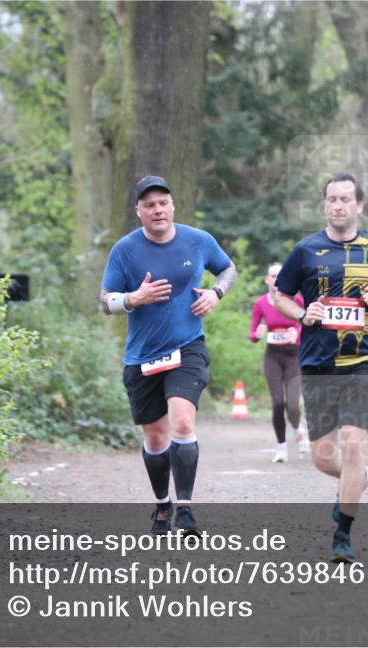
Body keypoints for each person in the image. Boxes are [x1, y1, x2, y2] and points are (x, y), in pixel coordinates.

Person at [274, 172, 368, 562]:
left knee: (354, 444)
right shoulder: (305, 250)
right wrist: (304, 313)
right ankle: (358, 480)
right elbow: (280, 296)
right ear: (324, 205)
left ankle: (343, 535)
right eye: (331, 199)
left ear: (359, 206)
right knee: (323, 457)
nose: (338, 205)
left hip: (364, 359)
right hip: (318, 361)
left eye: (345, 199)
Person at [100, 174, 236, 538]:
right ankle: (162, 506)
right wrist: (132, 299)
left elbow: (227, 268)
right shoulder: (125, 250)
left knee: (182, 423)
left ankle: (186, 510)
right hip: (143, 355)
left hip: (187, 347)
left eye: (163, 203)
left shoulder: (198, 240)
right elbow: (105, 301)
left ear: (172, 206)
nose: (158, 210)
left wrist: (216, 293)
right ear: (139, 212)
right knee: (156, 437)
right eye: (149, 205)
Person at [249, 263, 309, 463]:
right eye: (273, 275)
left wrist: (297, 331)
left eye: (280, 275)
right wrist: (257, 334)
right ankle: (281, 448)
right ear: (267, 279)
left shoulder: (296, 299)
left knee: (292, 403)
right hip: (273, 357)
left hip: (294, 356)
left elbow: (308, 323)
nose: (276, 279)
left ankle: (297, 427)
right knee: (277, 403)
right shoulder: (260, 303)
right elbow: (253, 333)